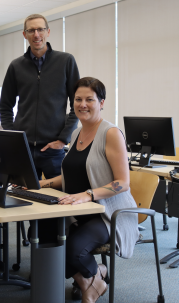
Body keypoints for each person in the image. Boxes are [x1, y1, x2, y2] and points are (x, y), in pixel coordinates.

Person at [39, 77, 139, 303]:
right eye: (78, 99)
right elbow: (67, 177)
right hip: (79, 211)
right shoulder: (76, 134)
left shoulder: (110, 133)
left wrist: (89, 194)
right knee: (45, 239)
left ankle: (91, 281)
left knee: (72, 250)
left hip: (108, 213)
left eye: (89, 100)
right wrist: (37, 184)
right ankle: (94, 280)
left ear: (101, 103)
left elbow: (123, 182)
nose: (82, 104)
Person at [0, 13, 80, 180]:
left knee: (59, 200)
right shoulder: (16, 66)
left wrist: (63, 140)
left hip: (54, 150)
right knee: (20, 198)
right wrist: (14, 138)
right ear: (25, 35)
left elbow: (77, 105)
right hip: (23, 149)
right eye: (31, 30)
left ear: (48, 32)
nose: (36, 34)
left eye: (40, 29)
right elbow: (5, 107)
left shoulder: (66, 61)